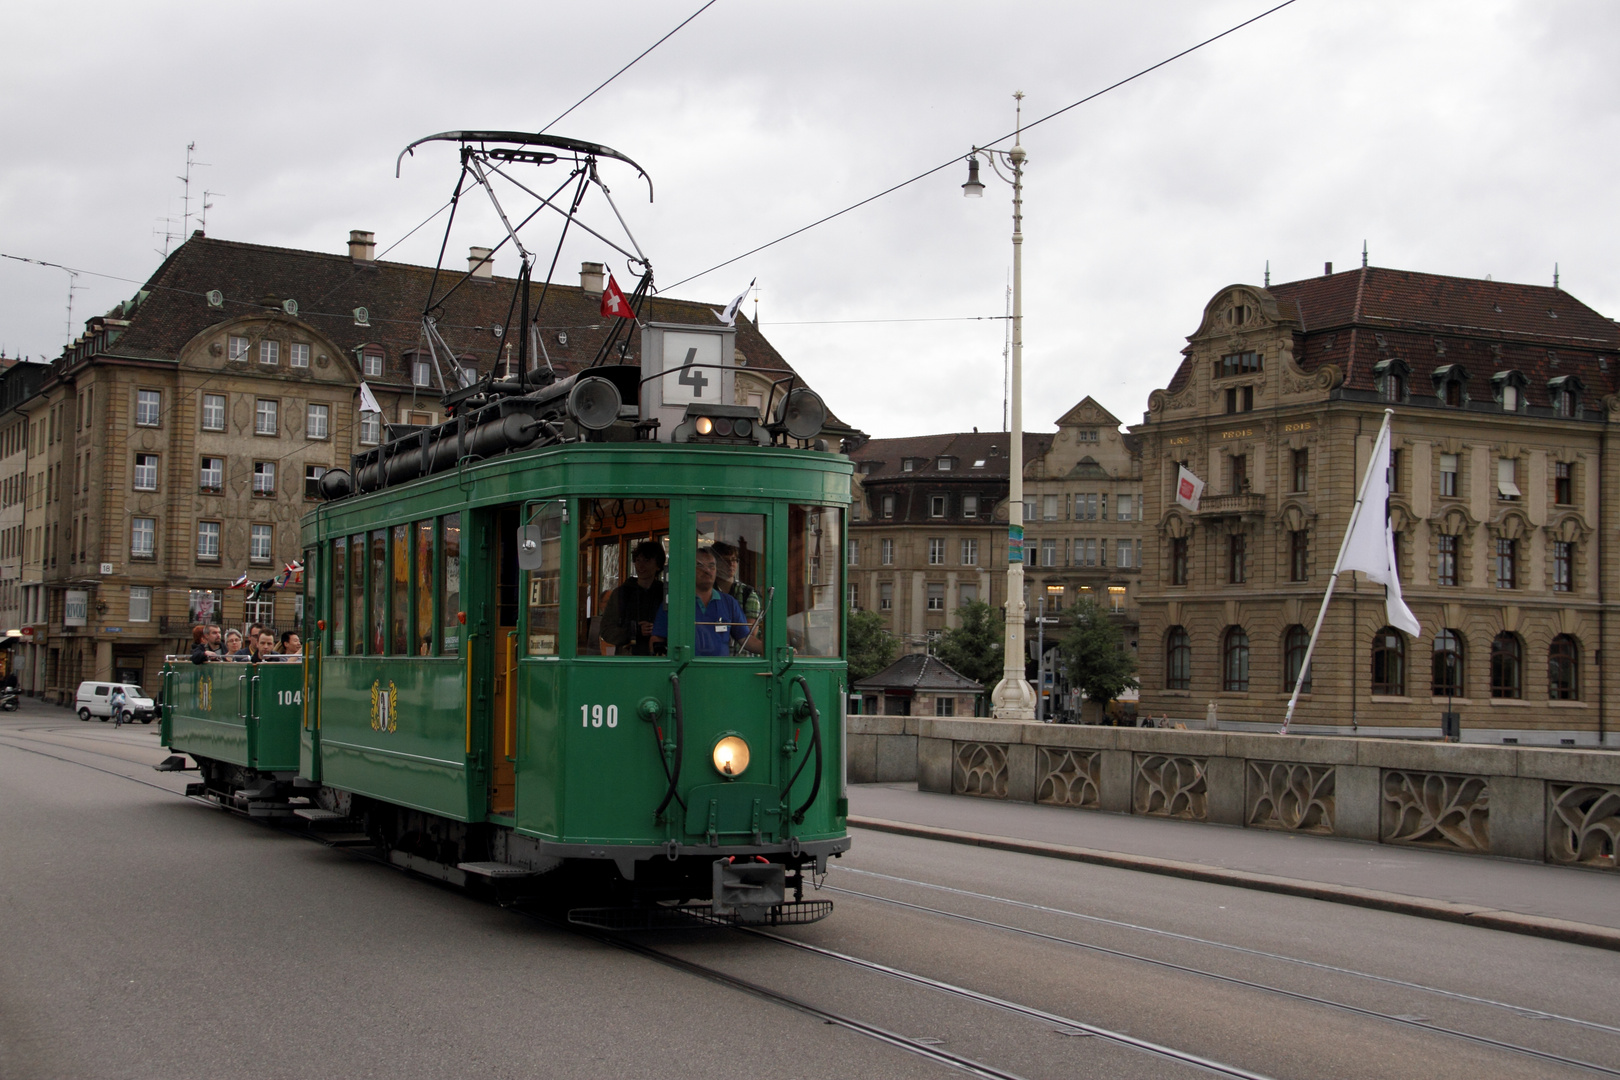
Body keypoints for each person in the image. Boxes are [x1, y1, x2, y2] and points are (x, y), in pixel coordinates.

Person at [651, 546, 762, 657]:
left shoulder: (729, 603)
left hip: (720, 672)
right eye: (700, 565)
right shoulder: (676, 602)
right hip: (685, 671)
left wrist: (768, 649)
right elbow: (656, 639)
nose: (707, 570)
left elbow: (746, 640)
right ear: (689, 569)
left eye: (711, 566)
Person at [601, 540, 666, 656]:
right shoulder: (621, 593)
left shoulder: (665, 593)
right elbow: (606, 631)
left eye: (647, 560)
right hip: (628, 659)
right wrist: (634, 630)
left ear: (658, 565)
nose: (641, 565)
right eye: (637, 560)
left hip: (659, 657)